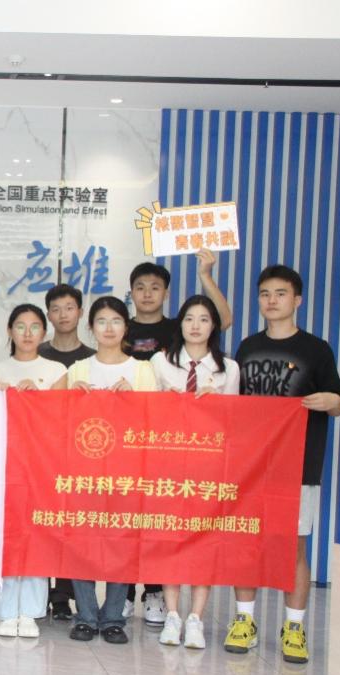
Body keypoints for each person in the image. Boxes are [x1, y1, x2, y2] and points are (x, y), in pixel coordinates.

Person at [225, 265, 340, 664]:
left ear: (297, 300)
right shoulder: (247, 347)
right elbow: (233, 404)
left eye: (280, 293)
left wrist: (330, 401)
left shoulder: (316, 349)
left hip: (299, 465)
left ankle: (294, 627)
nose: (271, 300)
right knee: (246, 542)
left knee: (293, 545)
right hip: (251, 466)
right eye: (264, 294)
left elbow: (339, 403)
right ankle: (244, 621)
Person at [124, 251, 233, 624]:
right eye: (140, 287)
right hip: (141, 443)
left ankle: (157, 594)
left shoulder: (178, 329)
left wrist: (206, 275)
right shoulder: (123, 330)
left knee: (168, 525)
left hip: (191, 454)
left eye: (155, 287)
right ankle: (125, 592)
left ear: (167, 293)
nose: (147, 293)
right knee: (136, 521)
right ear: (131, 292)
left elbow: (222, 319)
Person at [65, 296, 157, 644]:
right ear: (91, 327)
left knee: (123, 541)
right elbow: (57, 420)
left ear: (126, 327)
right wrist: (69, 397)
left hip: (128, 472)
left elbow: (155, 421)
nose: (108, 328)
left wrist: (136, 399)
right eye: (101, 321)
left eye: (116, 321)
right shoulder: (78, 369)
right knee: (81, 542)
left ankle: (114, 616)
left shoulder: (142, 370)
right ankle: (86, 615)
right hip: (84, 471)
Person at [149, 295, 239, 650]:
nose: (196, 325)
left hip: (208, 468)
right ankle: (172, 614)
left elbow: (235, 424)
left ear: (214, 325)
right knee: (171, 537)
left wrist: (217, 406)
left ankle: (196, 617)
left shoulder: (228, 368)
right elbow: (145, 413)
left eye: (204, 319)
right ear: (180, 324)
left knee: (204, 539)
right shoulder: (160, 362)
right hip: (168, 464)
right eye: (189, 318)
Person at [0, 304, 67, 638]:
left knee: (37, 534)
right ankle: (7, 611)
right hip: (6, 464)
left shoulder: (56, 370)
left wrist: (39, 399)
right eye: (20, 326)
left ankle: (33, 611)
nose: (27, 333)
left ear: (44, 332)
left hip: (42, 465)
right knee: (8, 534)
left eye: (34, 326)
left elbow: (61, 419)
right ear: (9, 331)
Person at [36, 283, 94, 620]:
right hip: (41, 452)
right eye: (56, 309)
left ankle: (64, 594)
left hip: (78, 454)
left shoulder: (90, 358)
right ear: (48, 314)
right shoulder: (37, 353)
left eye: (69, 308)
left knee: (72, 524)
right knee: (43, 521)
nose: (63, 315)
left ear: (80, 312)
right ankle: (40, 591)